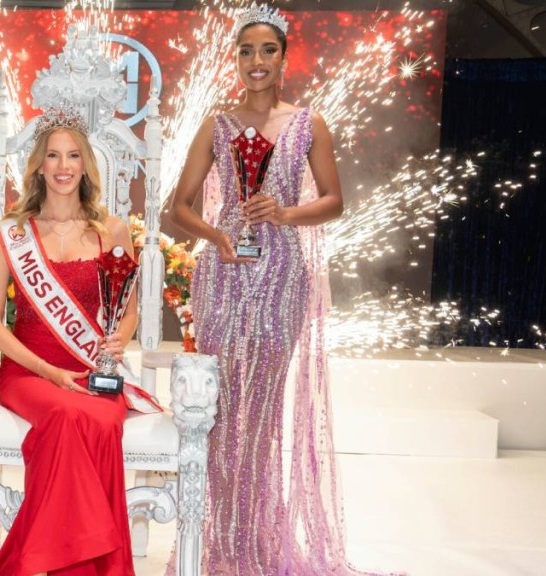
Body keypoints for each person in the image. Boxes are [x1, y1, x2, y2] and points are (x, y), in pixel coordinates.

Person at [168, 3, 396, 575]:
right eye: (246, 51)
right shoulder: (217, 125)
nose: (257, 61)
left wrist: (285, 213)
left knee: (262, 414)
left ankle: (254, 543)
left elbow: (334, 201)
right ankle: (217, 545)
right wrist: (217, 236)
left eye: (267, 50)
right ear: (235, 59)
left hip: (281, 279)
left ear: (284, 58)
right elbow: (179, 207)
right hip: (224, 274)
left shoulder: (308, 123)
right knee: (220, 410)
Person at [0, 107, 143, 576]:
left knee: (99, 421)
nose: (63, 166)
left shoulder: (112, 231)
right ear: (39, 166)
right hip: (28, 373)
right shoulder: (13, 232)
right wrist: (48, 372)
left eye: (73, 156)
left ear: (86, 165)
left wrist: (118, 340)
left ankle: (47, 562)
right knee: (69, 415)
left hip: (90, 371)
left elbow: (127, 310)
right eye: (53, 156)